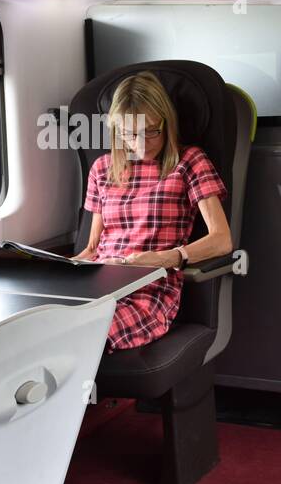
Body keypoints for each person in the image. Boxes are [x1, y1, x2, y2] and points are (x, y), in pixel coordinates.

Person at [72, 72, 232, 352]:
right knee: (33, 327)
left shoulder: (189, 162)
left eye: (152, 131)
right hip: (98, 286)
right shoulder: (102, 168)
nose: (142, 143)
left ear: (167, 123)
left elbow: (222, 240)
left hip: (148, 290)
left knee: (77, 334)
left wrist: (167, 257)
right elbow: (91, 249)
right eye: (131, 134)